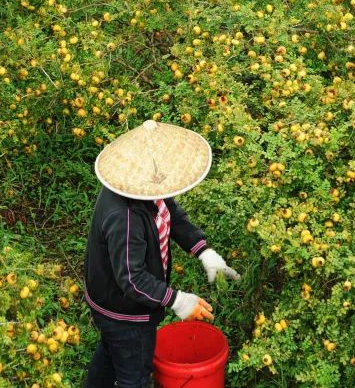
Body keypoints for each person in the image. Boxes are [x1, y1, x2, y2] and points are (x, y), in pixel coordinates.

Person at [83, 120, 240, 388]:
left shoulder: (145, 189)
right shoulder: (126, 217)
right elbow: (132, 280)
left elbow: (171, 213)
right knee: (135, 374)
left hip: (111, 303)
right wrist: (178, 301)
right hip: (124, 312)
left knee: (113, 351)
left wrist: (203, 250)